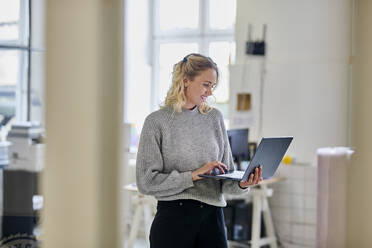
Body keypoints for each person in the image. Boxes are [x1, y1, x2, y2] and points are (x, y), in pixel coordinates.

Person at [136, 53, 263, 248]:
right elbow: (146, 182)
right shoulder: (156, 122)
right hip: (173, 220)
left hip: (213, 220)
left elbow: (226, 179)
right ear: (185, 80)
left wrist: (243, 183)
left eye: (212, 86)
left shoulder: (215, 118)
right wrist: (193, 176)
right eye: (206, 84)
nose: (209, 92)